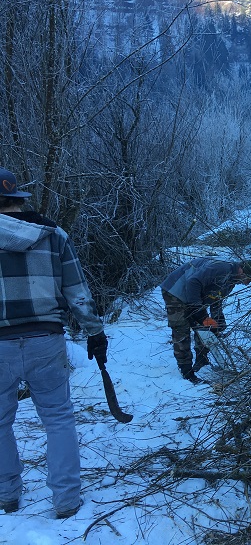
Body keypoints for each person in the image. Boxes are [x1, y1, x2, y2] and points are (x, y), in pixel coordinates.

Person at [0, 167, 108, 519]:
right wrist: (95, 332)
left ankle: (6, 495)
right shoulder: (53, 234)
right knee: (59, 420)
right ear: (17, 198)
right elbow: (77, 291)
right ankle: (66, 500)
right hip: (46, 340)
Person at [160, 257, 251, 383]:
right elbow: (193, 282)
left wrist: (217, 320)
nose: (246, 284)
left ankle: (202, 360)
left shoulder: (231, 280)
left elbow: (216, 298)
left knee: (205, 327)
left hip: (193, 295)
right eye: (248, 280)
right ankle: (186, 371)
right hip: (176, 290)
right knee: (181, 329)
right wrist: (199, 313)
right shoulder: (222, 269)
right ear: (242, 272)